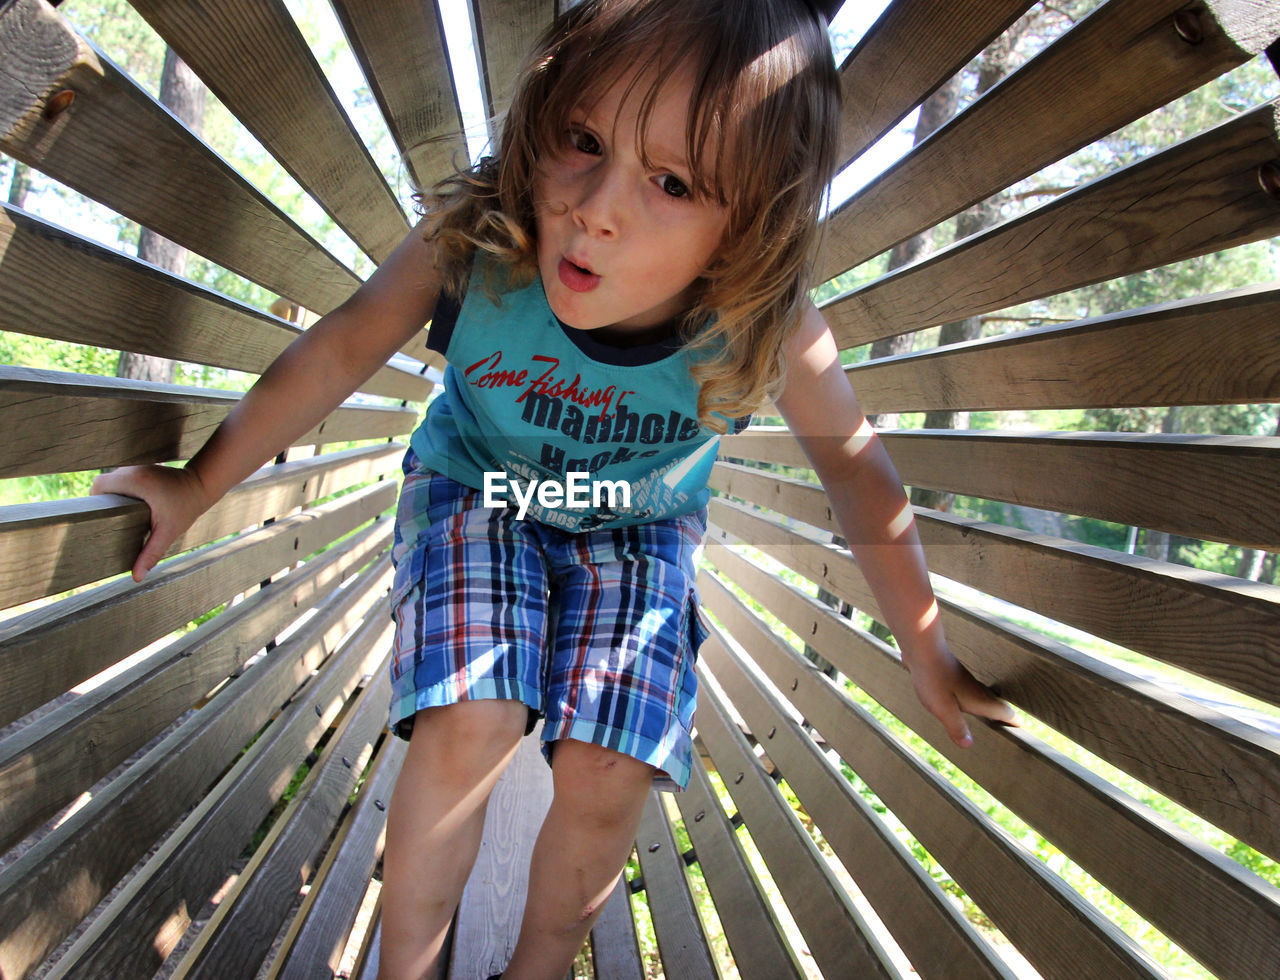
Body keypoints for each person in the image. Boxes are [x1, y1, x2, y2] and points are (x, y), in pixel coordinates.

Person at [92, 1, 1019, 976]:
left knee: (609, 762)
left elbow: (857, 467)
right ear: (541, 121)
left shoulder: (761, 317)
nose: (595, 205)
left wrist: (923, 647)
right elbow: (338, 352)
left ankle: (532, 968)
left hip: (634, 530)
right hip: (475, 488)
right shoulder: (482, 244)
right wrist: (198, 483)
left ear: (749, 219)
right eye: (581, 140)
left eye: (668, 180)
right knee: (473, 713)